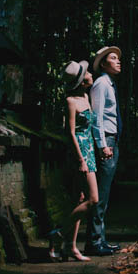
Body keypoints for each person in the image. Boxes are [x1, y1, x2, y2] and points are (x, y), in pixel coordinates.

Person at [49, 60, 99, 262]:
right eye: (87, 72)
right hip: (79, 153)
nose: (90, 74)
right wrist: (81, 159)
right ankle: (58, 233)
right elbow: (70, 133)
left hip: (90, 150)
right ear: (81, 80)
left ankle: (71, 247)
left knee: (79, 199)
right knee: (93, 199)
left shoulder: (86, 96)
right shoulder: (71, 101)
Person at [84, 46, 123, 256]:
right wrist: (102, 145)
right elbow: (96, 117)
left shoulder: (110, 84)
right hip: (106, 141)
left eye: (118, 58)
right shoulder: (100, 84)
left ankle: (101, 240)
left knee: (105, 195)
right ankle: (94, 242)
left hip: (112, 141)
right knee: (99, 194)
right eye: (114, 58)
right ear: (104, 63)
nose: (119, 61)